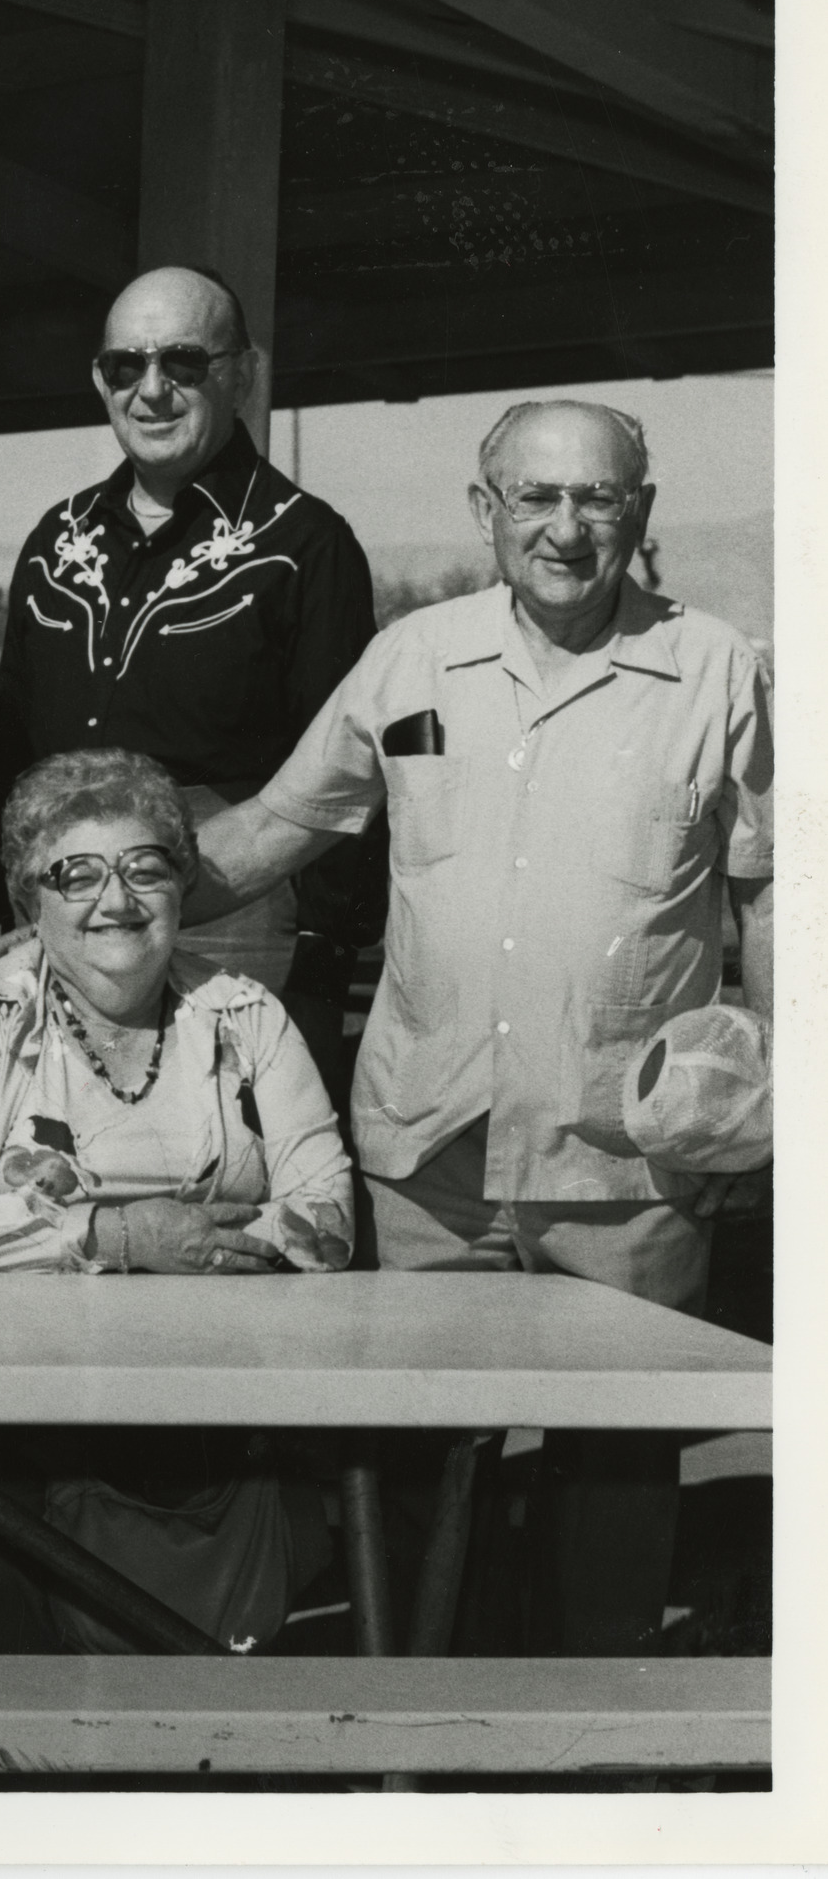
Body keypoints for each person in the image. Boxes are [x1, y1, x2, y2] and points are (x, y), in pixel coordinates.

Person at [189, 398, 773, 1653]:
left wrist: (776, 1088)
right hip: (425, 1155)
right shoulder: (412, 657)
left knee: (611, 1489)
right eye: (535, 498)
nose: (564, 528)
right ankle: (414, 1742)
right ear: (484, 510)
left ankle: (597, 1753)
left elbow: (775, 888)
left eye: (596, 498)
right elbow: (273, 829)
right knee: (409, 1477)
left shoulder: (719, 666)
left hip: (627, 1162)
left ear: (641, 511)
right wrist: (97, 878)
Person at [0, 747, 352, 1654]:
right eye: (78, 874)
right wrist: (126, 1235)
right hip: (25, 1420)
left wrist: (94, 1240)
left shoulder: (242, 1015)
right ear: (32, 899)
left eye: (145, 868)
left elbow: (327, 1218)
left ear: (181, 890)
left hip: (214, 1414)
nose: (117, 899)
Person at [0, 264, 377, 1075]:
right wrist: (10, 908)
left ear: (241, 373)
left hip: (236, 927)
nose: (150, 390)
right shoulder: (57, 538)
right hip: (59, 919)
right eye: (126, 366)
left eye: (182, 364)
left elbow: (346, 775)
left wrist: (321, 959)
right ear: (100, 378)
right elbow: (7, 745)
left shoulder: (304, 543)